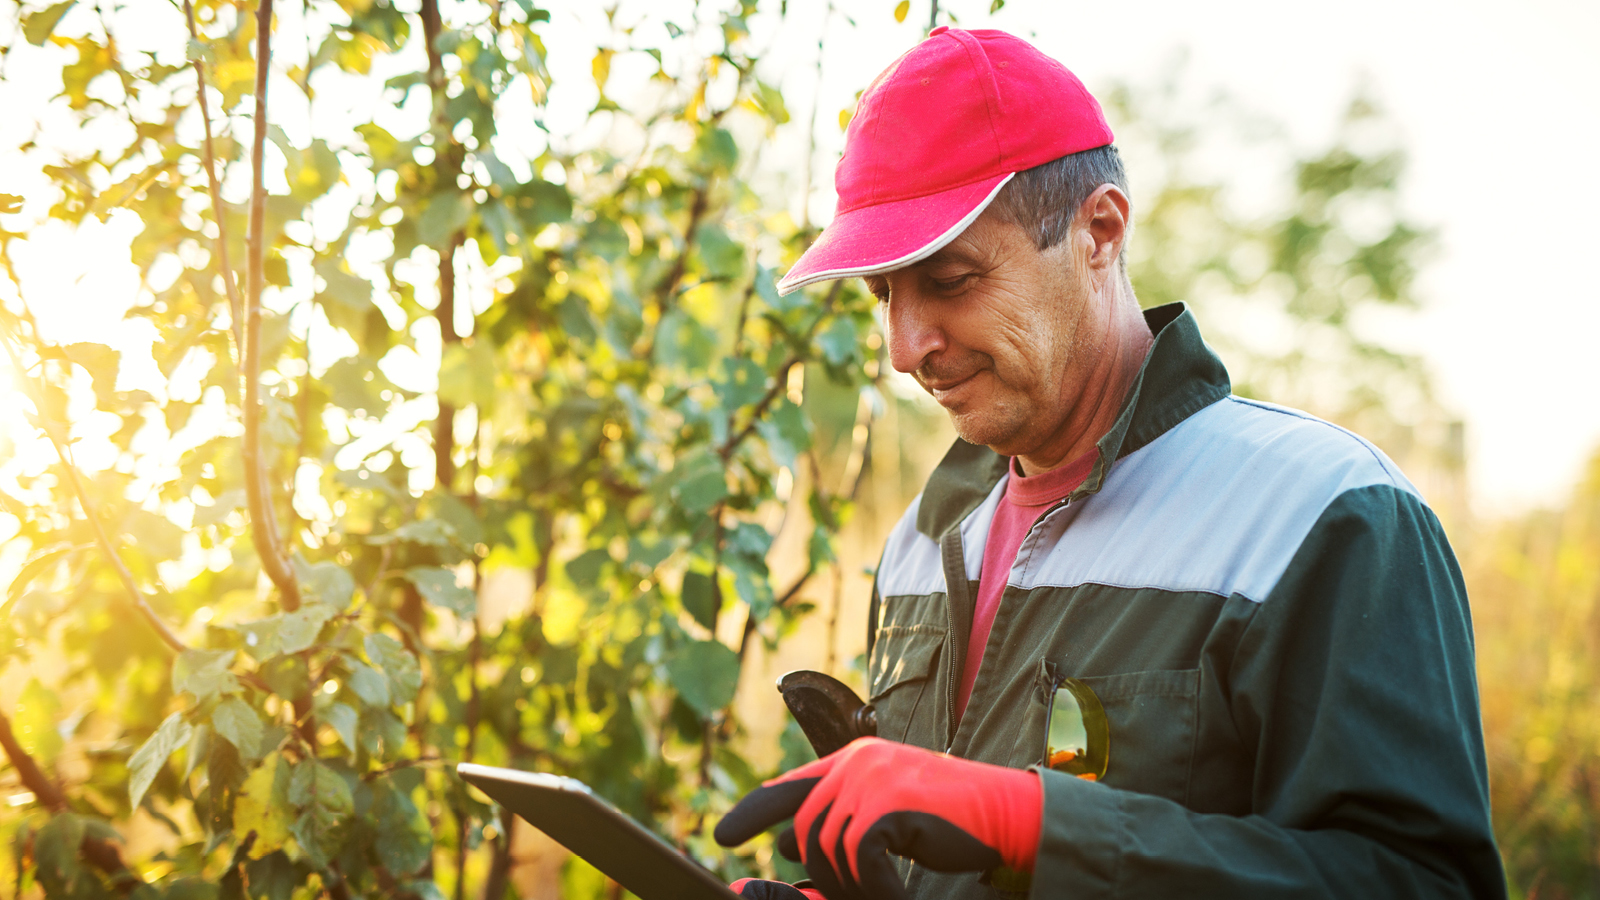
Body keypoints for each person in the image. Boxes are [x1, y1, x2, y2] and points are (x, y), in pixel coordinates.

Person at [713, 26, 1505, 900]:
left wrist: (1035, 824)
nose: (905, 348)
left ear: (1099, 230)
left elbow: (1421, 883)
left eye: (950, 279)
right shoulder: (921, 539)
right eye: (882, 294)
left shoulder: (1324, 515)